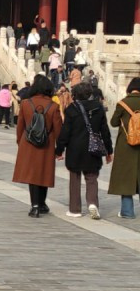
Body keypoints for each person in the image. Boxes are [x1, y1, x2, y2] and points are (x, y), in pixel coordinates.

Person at [56, 82, 113, 219]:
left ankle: (75, 209)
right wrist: (109, 151)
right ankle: (92, 203)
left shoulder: (71, 109)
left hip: (75, 148)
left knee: (75, 178)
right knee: (92, 177)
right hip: (93, 147)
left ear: (75, 94)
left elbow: (65, 132)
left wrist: (59, 150)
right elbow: (105, 131)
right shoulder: (98, 107)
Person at [13, 74, 63, 217]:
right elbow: (58, 130)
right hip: (46, 143)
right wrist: (59, 149)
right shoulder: (53, 106)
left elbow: (20, 126)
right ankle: (42, 203)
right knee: (43, 173)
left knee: (32, 174)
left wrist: (20, 142)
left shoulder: (25, 103)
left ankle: (34, 205)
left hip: (28, 142)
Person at [108, 77, 140, 218]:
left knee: (126, 177)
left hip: (126, 145)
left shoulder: (123, 103)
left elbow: (114, 122)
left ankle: (127, 211)